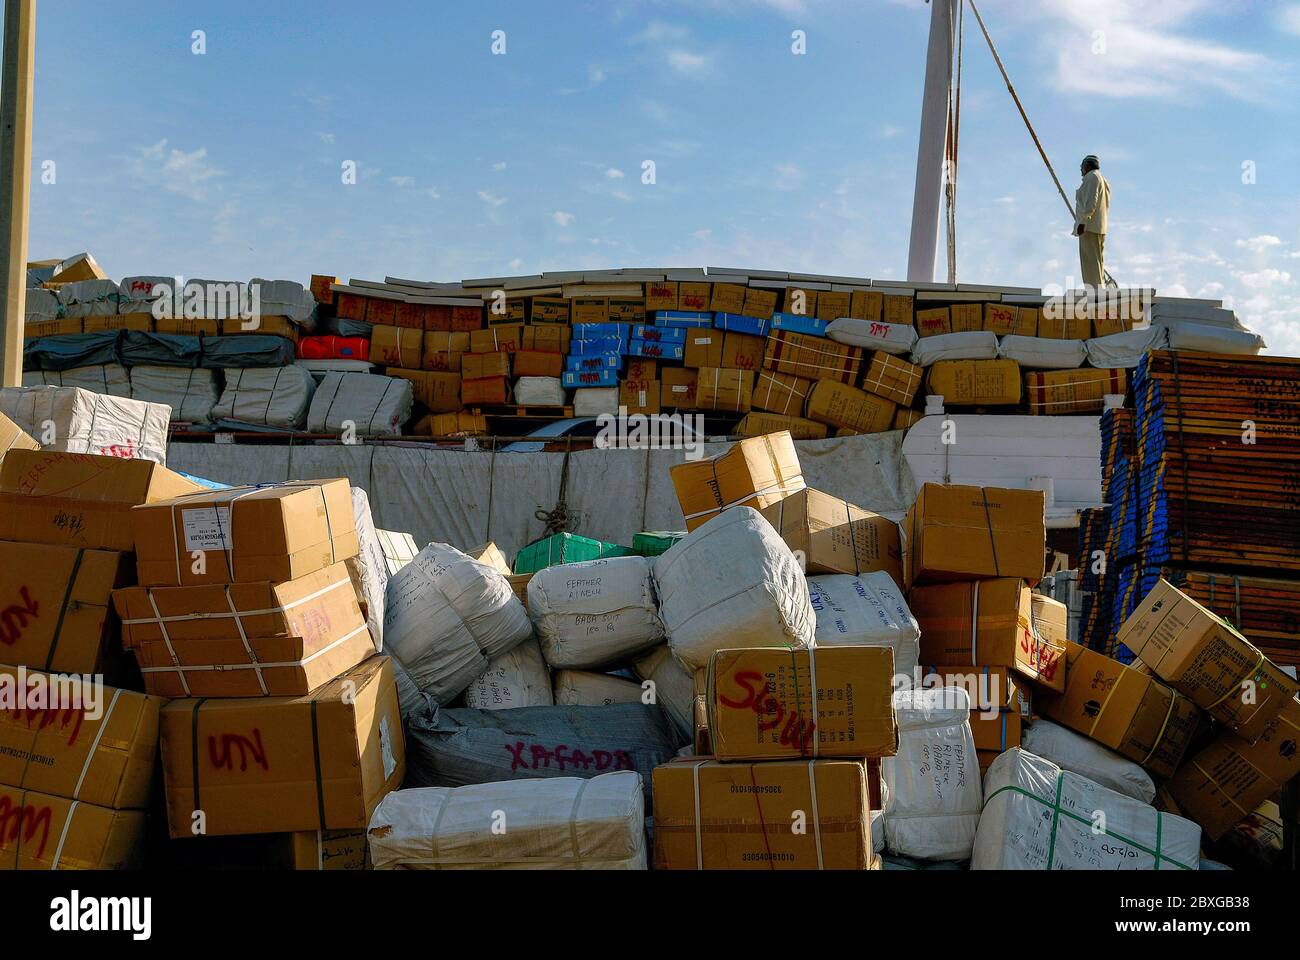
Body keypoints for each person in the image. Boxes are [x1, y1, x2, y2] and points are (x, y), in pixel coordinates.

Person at [1074, 154, 1110, 289]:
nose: (1081, 171)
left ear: (1087, 166)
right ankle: (1098, 288)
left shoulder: (1092, 177)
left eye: (1081, 167)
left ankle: (1094, 290)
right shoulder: (1102, 179)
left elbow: (1091, 203)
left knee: (1090, 262)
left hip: (1089, 226)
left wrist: (1082, 222)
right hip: (1099, 226)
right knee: (1097, 261)